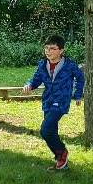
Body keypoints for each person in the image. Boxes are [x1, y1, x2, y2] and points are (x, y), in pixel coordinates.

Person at [23, 34, 84, 171]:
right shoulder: (42, 64)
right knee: (52, 132)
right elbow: (36, 79)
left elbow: (80, 78)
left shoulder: (69, 65)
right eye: (46, 48)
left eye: (52, 48)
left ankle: (62, 152)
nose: (48, 51)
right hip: (47, 102)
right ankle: (61, 161)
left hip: (61, 102)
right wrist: (29, 84)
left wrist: (78, 95)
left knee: (45, 130)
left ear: (61, 50)